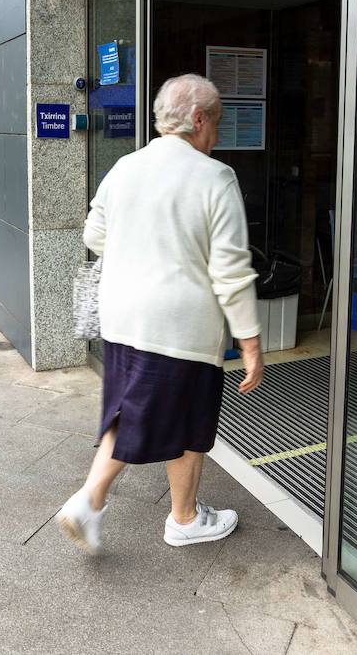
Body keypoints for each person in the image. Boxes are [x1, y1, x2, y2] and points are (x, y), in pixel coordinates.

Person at [58, 73, 264, 555]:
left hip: (122, 316)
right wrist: (250, 342)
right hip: (180, 325)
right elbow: (231, 269)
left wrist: (140, 251)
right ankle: (183, 519)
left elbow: (94, 234)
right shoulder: (215, 177)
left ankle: (90, 503)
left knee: (127, 409)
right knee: (190, 422)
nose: (217, 134)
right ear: (198, 120)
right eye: (216, 122)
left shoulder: (126, 166)